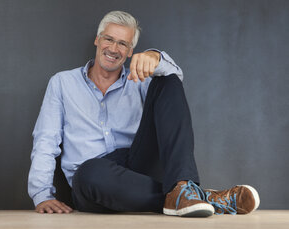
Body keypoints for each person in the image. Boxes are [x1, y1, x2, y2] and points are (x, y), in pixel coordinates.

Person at [28, 11, 260, 217]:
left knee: (167, 79)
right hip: (94, 180)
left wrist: (155, 57)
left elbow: (174, 80)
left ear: (130, 52)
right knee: (91, 171)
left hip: (137, 164)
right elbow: (46, 140)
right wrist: (41, 194)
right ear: (97, 40)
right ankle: (197, 198)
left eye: (122, 44)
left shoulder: (139, 80)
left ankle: (182, 187)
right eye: (109, 39)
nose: (113, 48)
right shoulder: (62, 83)